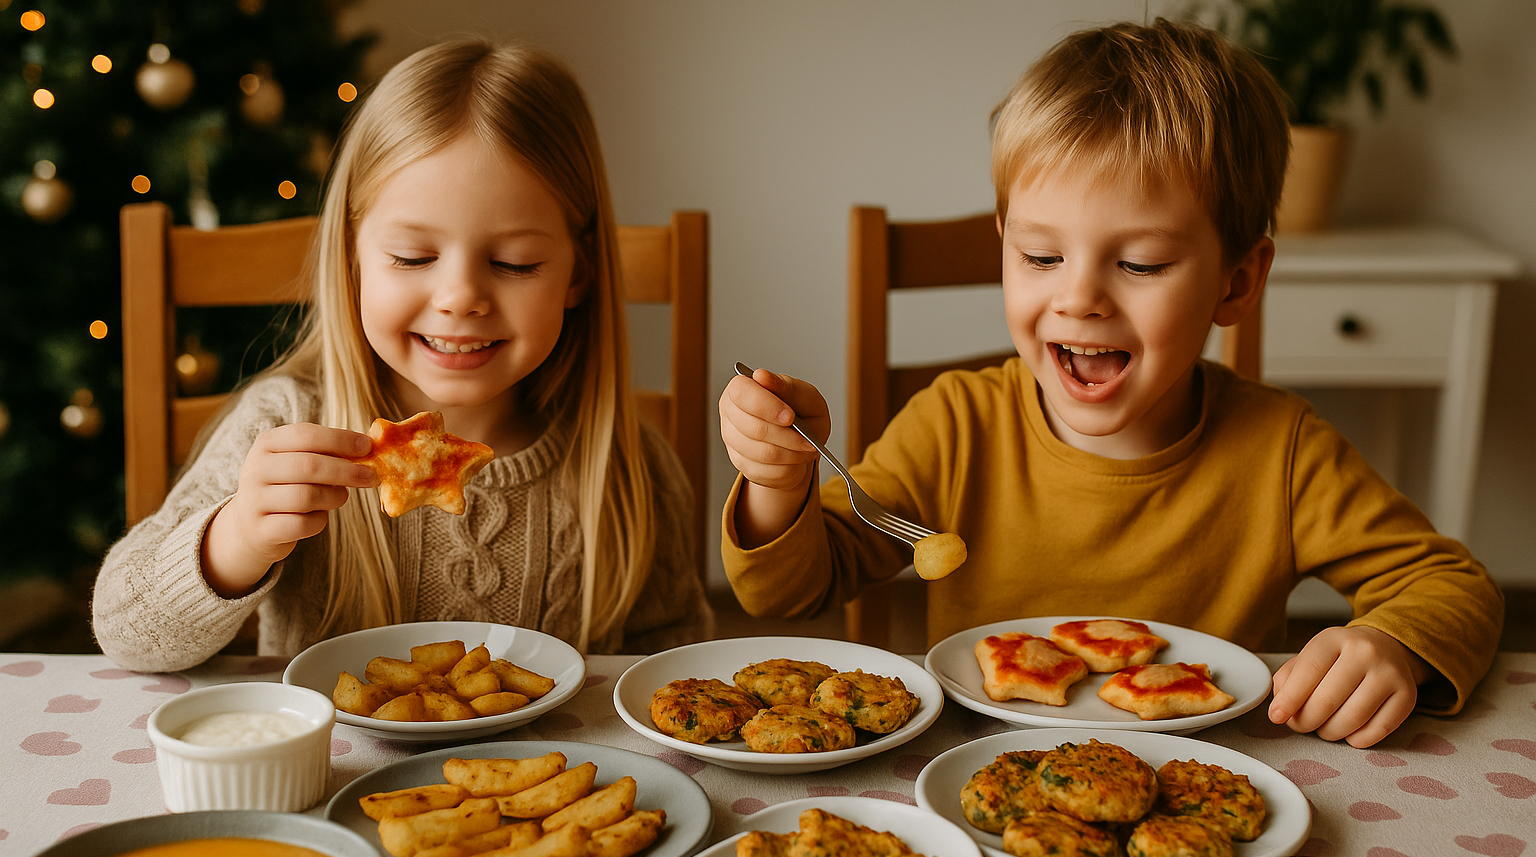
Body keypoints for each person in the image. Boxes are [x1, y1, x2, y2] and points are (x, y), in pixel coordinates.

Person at [718, 19, 1501, 748]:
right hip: (973, 790)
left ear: (1236, 282)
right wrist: (777, 483)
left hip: (1208, 798)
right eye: (1041, 256)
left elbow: (1451, 583)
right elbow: (787, 594)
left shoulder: (1284, 453)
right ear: (1003, 244)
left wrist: (1390, 643)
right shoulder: (956, 426)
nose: (1079, 297)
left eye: (1140, 265)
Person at [94, 39, 709, 671]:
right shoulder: (285, 426)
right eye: (413, 257)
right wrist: (238, 538)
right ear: (354, 257)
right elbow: (126, 633)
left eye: (513, 263)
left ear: (578, 271)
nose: (460, 298)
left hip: (543, 768)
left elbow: (671, 673)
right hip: (330, 772)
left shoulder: (628, 469)